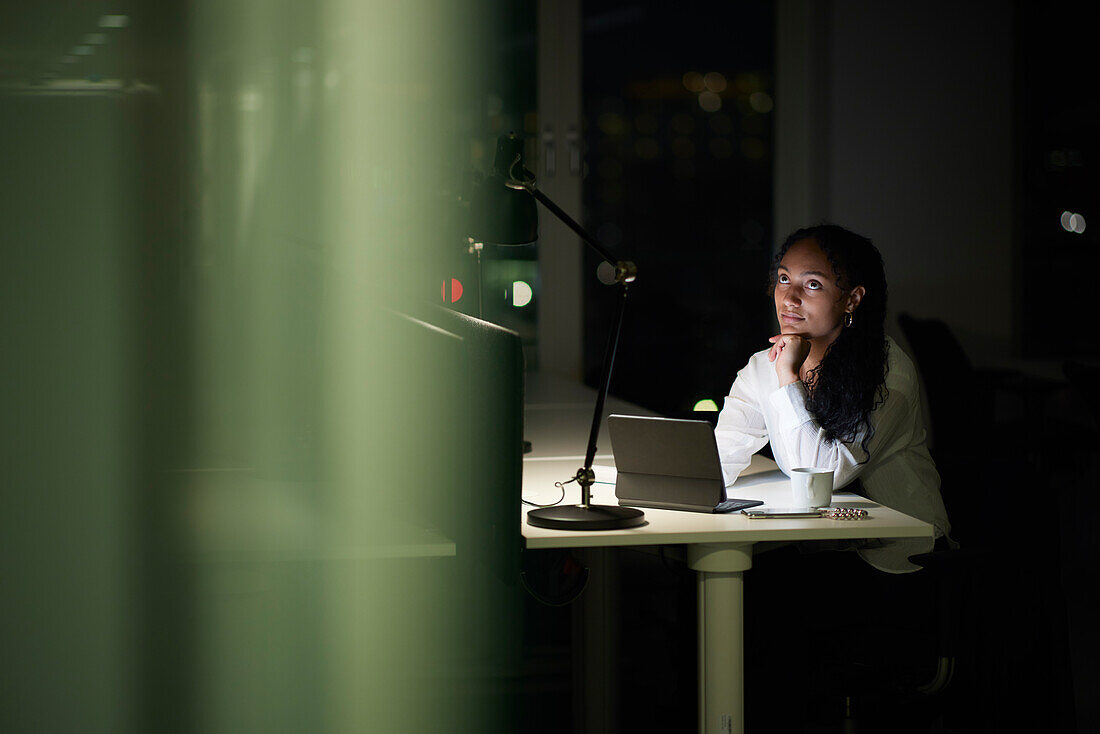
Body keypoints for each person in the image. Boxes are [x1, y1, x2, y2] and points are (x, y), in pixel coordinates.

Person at [715, 224, 951, 572]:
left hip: (896, 555)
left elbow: (821, 475)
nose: (790, 298)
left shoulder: (888, 374)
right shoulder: (762, 367)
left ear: (852, 299)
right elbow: (722, 455)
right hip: (816, 544)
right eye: (783, 279)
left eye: (812, 284)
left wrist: (788, 378)